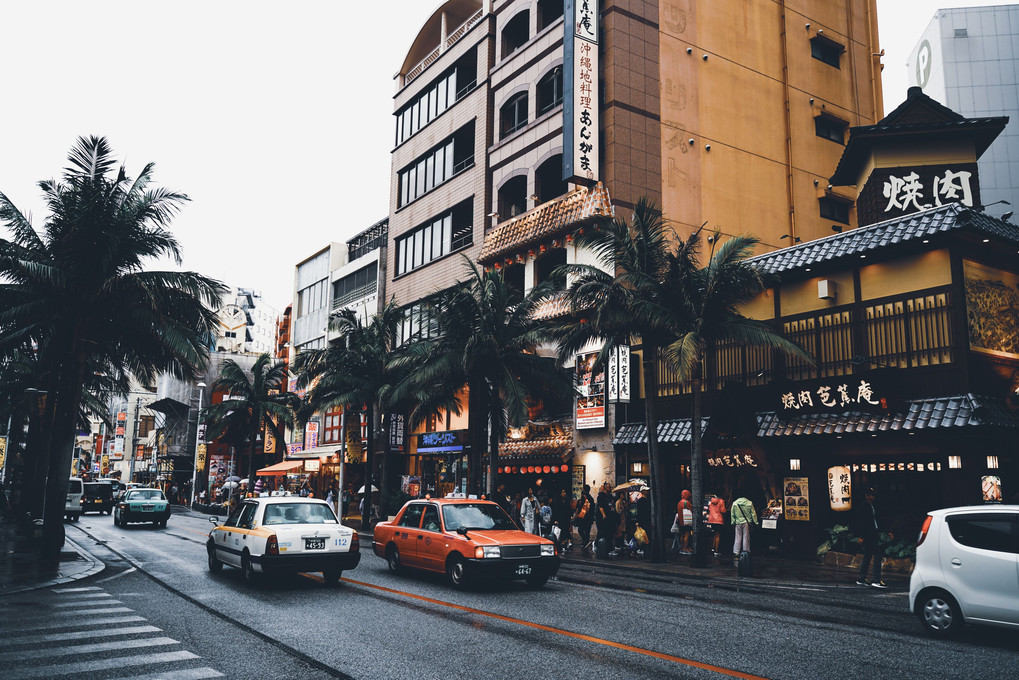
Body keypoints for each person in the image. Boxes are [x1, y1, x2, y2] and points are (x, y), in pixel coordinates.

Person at [853, 487, 890, 588]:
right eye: (871, 495)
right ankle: (876, 580)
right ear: (867, 496)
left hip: (872, 533)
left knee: (868, 556)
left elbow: (876, 520)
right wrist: (861, 536)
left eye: (874, 495)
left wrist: (886, 531)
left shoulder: (871, 506)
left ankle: (861, 578)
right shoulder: (864, 506)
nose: (873, 497)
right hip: (869, 535)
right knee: (878, 554)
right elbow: (861, 522)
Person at [731, 492, 758, 559]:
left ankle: (736, 551)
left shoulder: (735, 503)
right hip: (746, 522)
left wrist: (733, 522)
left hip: (738, 522)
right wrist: (756, 522)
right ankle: (746, 551)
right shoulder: (749, 503)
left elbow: (732, 514)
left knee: (738, 537)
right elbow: (753, 514)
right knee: (746, 537)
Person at [574, 484, 595, 553]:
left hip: (583, 518)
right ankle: (585, 541)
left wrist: (576, 516)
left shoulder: (583, 499)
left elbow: (578, 508)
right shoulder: (590, 499)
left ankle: (585, 541)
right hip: (588, 518)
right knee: (586, 530)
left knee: (581, 530)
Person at [676, 489, 694, 554]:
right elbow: (692, 510)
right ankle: (685, 548)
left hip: (681, 522)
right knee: (687, 534)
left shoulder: (679, 502)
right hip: (687, 521)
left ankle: (681, 548)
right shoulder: (686, 502)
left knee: (682, 535)